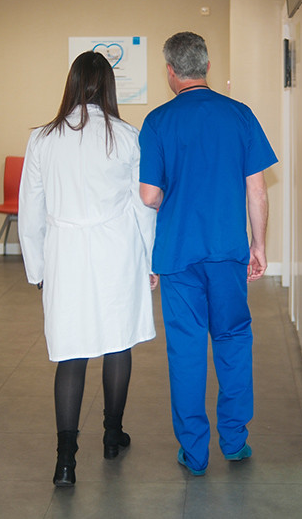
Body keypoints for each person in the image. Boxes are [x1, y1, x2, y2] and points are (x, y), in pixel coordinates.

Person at [139, 32, 277, 476]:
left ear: (170, 71)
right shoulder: (240, 115)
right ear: (207, 66)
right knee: (233, 339)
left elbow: (148, 195)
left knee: (186, 348)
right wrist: (259, 245)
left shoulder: (158, 122)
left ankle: (195, 453)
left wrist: (175, 198)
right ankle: (234, 441)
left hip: (178, 254)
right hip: (227, 252)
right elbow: (257, 191)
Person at [18, 51, 157, 487]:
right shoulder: (127, 136)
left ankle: (65, 461)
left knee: (71, 351)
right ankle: (112, 435)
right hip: (117, 252)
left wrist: (37, 269)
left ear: (72, 84)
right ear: (109, 87)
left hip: (66, 254)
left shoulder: (42, 139)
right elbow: (143, 207)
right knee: (118, 342)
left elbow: (30, 210)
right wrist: (151, 260)